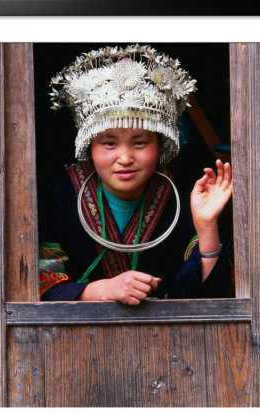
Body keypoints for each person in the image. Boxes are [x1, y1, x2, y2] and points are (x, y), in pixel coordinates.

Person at [38, 44, 233, 305]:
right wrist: (105, 290)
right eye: (109, 143)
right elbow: (37, 288)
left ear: (160, 146)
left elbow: (211, 299)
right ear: (89, 147)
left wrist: (207, 226)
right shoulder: (58, 196)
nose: (126, 157)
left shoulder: (185, 197)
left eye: (139, 142)